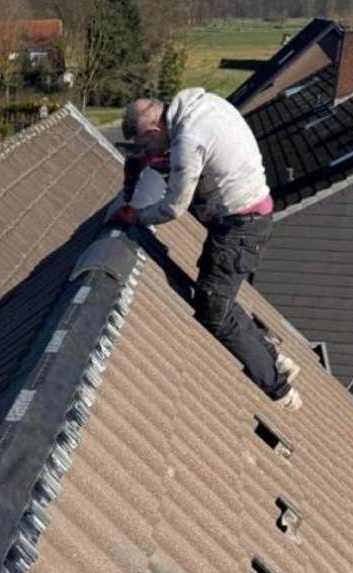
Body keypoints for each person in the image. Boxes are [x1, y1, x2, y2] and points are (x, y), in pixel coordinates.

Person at [114, 88, 301, 410]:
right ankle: (276, 359)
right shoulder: (203, 105)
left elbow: (174, 207)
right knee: (216, 296)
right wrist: (155, 160)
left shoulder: (189, 139)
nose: (149, 150)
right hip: (247, 214)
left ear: (155, 129)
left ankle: (280, 390)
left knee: (214, 310)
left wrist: (136, 216)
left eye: (147, 143)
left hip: (241, 227)